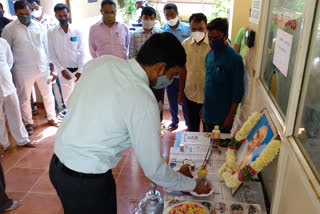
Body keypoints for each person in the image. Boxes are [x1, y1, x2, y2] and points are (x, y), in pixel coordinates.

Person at [49, 33, 210, 213]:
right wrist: (192, 184)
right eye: (173, 74)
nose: (171, 81)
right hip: (86, 180)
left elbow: (75, 105)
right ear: (160, 67)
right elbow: (153, 169)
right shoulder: (142, 98)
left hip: (58, 166)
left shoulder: (102, 62)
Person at [2, 0, 59, 135]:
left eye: (27, 13)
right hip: (21, 69)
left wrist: (53, 68)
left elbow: (46, 48)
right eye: (21, 14)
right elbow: (5, 51)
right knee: (25, 98)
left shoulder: (39, 26)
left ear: (31, 11)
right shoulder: (9, 29)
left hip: (42, 67)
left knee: (48, 94)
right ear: (16, 13)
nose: (25, 16)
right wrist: (10, 71)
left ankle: (52, 117)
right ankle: (28, 122)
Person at [202, 18, 244, 133]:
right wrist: (203, 107)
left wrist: (230, 117)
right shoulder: (209, 55)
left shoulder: (235, 59)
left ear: (226, 36)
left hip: (223, 118)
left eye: (216, 38)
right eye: (209, 38)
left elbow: (238, 93)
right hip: (207, 114)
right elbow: (208, 83)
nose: (212, 41)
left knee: (219, 149)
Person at [0, 37, 36, 156]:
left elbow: (9, 62)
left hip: (7, 85)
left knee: (15, 113)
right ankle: (3, 144)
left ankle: (22, 140)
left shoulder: (3, 42)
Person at [129, 6, 165, 121]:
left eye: (151, 17)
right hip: (140, 78)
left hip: (158, 79)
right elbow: (131, 57)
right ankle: (142, 128)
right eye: (146, 17)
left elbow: (165, 57)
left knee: (157, 103)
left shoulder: (161, 35)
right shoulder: (135, 36)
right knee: (141, 105)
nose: (148, 20)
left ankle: (158, 127)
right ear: (141, 18)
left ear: (155, 19)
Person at [48, 3, 86, 110]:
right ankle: (72, 123)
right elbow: (52, 54)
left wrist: (80, 71)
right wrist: (62, 70)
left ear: (69, 14)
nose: (63, 18)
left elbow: (82, 51)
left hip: (79, 71)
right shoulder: (51, 32)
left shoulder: (77, 30)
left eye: (65, 15)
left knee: (82, 99)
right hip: (64, 72)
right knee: (68, 101)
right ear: (56, 16)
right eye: (60, 16)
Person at [160, 3, 190, 131]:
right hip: (170, 74)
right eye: (167, 15)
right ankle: (174, 121)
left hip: (185, 72)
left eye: (172, 14)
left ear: (177, 14)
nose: (170, 17)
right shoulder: (162, 30)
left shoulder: (187, 29)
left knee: (186, 99)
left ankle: (189, 122)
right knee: (172, 99)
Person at [179, 13, 210, 132]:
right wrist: (181, 92)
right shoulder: (185, 44)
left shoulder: (213, 46)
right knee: (192, 128)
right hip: (190, 94)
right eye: (194, 29)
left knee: (208, 130)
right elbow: (183, 70)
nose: (197, 32)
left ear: (206, 28)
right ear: (190, 28)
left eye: (201, 29)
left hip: (208, 96)